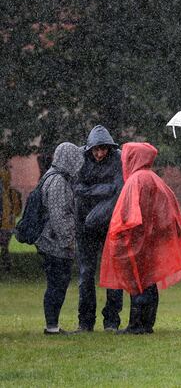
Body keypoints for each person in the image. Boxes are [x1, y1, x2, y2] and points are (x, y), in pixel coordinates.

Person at [99, 142, 181, 334]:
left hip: (136, 243)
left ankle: (136, 325)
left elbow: (128, 216)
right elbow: (166, 214)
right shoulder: (154, 179)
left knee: (138, 282)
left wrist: (121, 237)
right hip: (150, 242)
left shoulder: (136, 180)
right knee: (149, 282)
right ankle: (147, 322)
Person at [73, 125, 124, 333]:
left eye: (103, 149)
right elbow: (76, 188)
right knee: (86, 274)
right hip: (84, 224)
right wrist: (103, 189)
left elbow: (119, 189)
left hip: (110, 223)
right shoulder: (80, 158)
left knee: (113, 273)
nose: (100, 153)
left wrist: (91, 191)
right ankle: (85, 321)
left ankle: (111, 320)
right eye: (96, 150)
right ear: (89, 149)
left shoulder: (118, 158)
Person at [35, 142, 84, 334]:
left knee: (56, 285)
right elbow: (59, 217)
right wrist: (69, 242)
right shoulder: (58, 182)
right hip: (54, 244)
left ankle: (52, 325)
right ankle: (52, 326)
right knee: (56, 286)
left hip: (51, 242)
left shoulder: (53, 176)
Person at [1, 161, 23, 272]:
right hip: (7, 225)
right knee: (4, 246)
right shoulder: (11, 193)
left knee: (4, 246)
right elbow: (17, 211)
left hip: (6, 224)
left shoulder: (11, 193)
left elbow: (17, 210)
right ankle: (6, 265)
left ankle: (6, 265)